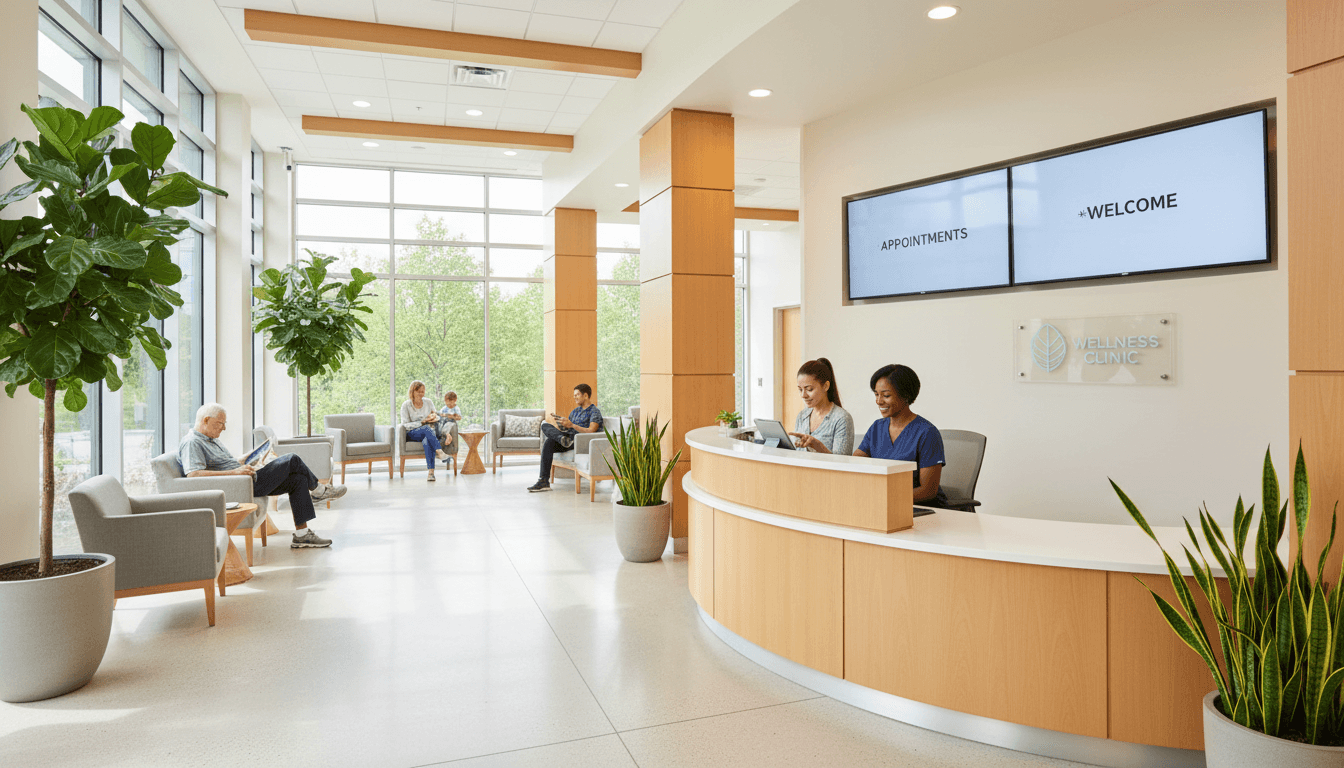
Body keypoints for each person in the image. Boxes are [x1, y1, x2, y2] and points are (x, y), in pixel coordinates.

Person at [180, 403, 344, 549]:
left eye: (224, 424)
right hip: (241, 485)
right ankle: (319, 490)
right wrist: (236, 472)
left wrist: (244, 459)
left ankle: (302, 536)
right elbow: (193, 474)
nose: (223, 429)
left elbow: (223, 463)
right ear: (206, 420)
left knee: (298, 480)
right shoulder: (192, 442)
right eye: (220, 424)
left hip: (246, 477)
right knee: (292, 459)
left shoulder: (210, 439)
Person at [853, 364, 948, 507]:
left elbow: (928, 491)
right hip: (884, 504)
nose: (879, 401)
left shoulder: (927, 433)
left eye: (886, 395)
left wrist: (885, 498)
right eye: (876, 394)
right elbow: (856, 464)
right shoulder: (877, 428)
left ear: (906, 395)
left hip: (920, 509)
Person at [528, 384, 603, 493]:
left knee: (550, 441)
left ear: (585, 395)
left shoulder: (594, 411)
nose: (575, 397)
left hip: (579, 441)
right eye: (574, 395)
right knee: (545, 425)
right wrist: (562, 423)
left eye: (577, 395)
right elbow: (569, 427)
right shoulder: (575, 411)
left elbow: (592, 430)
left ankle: (562, 439)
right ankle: (543, 481)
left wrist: (572, 425)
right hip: (568, 437)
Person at [787, 357, 854, 454]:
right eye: (800, 389)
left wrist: (817, 446)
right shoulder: (802, 416)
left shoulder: (842, 419)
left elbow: (842, 463)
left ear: (826, 386)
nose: (803, 395)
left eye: (809, 389)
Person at [402, 381, 449, 481]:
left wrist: (433, 418)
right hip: (412, 433)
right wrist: (423, 422)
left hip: (428, 433)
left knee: (428, 440)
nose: (421, 394)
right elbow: (405, 425)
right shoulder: (406, 405)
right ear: (412, 391)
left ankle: (431, 473)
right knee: (426, 428)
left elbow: (436, 416)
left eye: (423, 392)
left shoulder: (428, 402)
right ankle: (439, 451)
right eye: (418, 391)